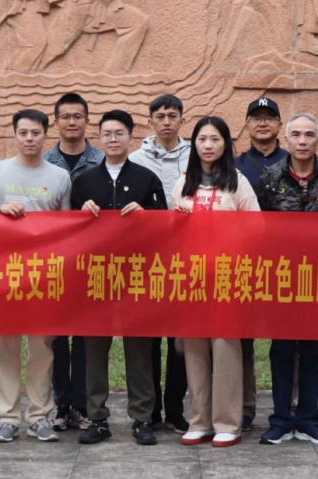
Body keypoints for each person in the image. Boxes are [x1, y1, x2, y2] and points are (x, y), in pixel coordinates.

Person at [0, 109, 71, 444]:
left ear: (46, 135)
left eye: (36, 133)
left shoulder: (60, 176)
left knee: (42, 347)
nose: (30, 139)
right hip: (4, 271)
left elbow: (67, 228)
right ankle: (7, 417)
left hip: (44, 273)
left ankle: (39, 416)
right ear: (14, 135)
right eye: (23, 133)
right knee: (6, 346)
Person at [72, 110, 167, 447]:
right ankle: (97, 418)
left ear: (131, 137)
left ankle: (142, 418)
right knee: (94, 350)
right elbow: (67, 229)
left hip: (136, 276)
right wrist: (80, 214)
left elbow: (165, 225)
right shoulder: (84, 181)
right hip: (96, 276)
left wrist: (146, 215)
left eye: (119, 133)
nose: (113, 139)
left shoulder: (146, 179)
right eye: (107, 134)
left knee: (139, 351)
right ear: (99, 138)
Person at [257, 114, 318, 446]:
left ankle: (309, 419)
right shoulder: (270, 177)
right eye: (296, 134)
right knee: (281, 348)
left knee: (312, 350)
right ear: (287, 139)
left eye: (309, 135)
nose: (302, 141)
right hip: (281, 276)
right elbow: (259, 228)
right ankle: (281, 419)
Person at [173, 116, 260, 449]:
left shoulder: (238, 182)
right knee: (194, 348)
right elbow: (169, 234)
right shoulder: (182, 184)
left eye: (215, 139)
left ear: (226, 144)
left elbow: (257, 230)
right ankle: (199, 421)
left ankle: (228, 423)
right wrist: (177, 221)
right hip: (191, 279)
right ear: (193, 144)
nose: (208, 145)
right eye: (201, 139)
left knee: (225, 347)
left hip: (228, 277)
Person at [129, 94, 191, 433]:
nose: (166, 121)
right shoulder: (135, 159)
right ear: (150, 121)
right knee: (148, 337)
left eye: (172, 115)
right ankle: (150, 409)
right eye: (160, 116)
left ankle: (176, 408)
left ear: (182, 119)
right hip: (147, 260)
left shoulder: (196, 155)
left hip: (187, 258)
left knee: (180, 339)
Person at [42, 93, 103, 432]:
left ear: (87, 121)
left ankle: (81, 404)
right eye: (65, 116)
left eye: (78, 116)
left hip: (90, 262)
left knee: (84, 337)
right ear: (56, 122)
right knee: (55, 336)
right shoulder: (44, 162)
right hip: (52, 262)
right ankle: (60, 403)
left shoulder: (102, 161)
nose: (72, 122)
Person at [234, 96, 290, 432]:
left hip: (286, 264)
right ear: (247, 125)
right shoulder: (235, 166)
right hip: (245, 263)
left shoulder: (295, 162)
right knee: (242, 340)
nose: (263, 123)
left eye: (270, 117)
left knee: (287, 339)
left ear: (280, 125)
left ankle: (289, 406)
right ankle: (243, 407)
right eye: (256, 118)